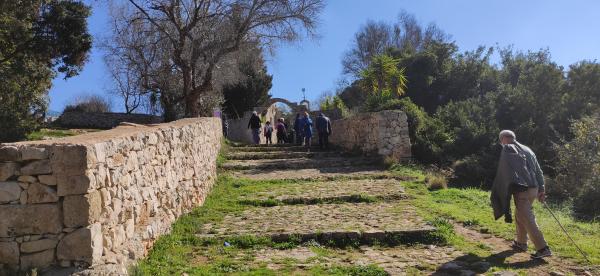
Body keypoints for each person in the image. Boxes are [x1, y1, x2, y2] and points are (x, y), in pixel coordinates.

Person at [491, 130, 551, 259]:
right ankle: (521, 243)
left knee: (528, 218)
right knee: (520, 215)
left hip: (522, 190)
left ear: (503, 139)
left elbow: (508, 172)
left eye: (501, 141)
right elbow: (539, 171)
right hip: (533, 189)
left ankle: (543, 248)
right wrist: (541, 189)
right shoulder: (528, 149)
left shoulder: (508, 148)